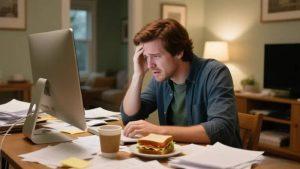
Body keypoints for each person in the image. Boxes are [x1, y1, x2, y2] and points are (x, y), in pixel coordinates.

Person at [121, 18, 241, 147]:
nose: (150, 65)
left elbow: (221, 129)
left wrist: (159, 131)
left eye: (156, 56)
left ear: (179, 52)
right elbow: (129, 117)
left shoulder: (215, 73)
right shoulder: (161, 78)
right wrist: (138, 75)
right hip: (179, 157)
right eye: (146, 57)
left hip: (219, 160)